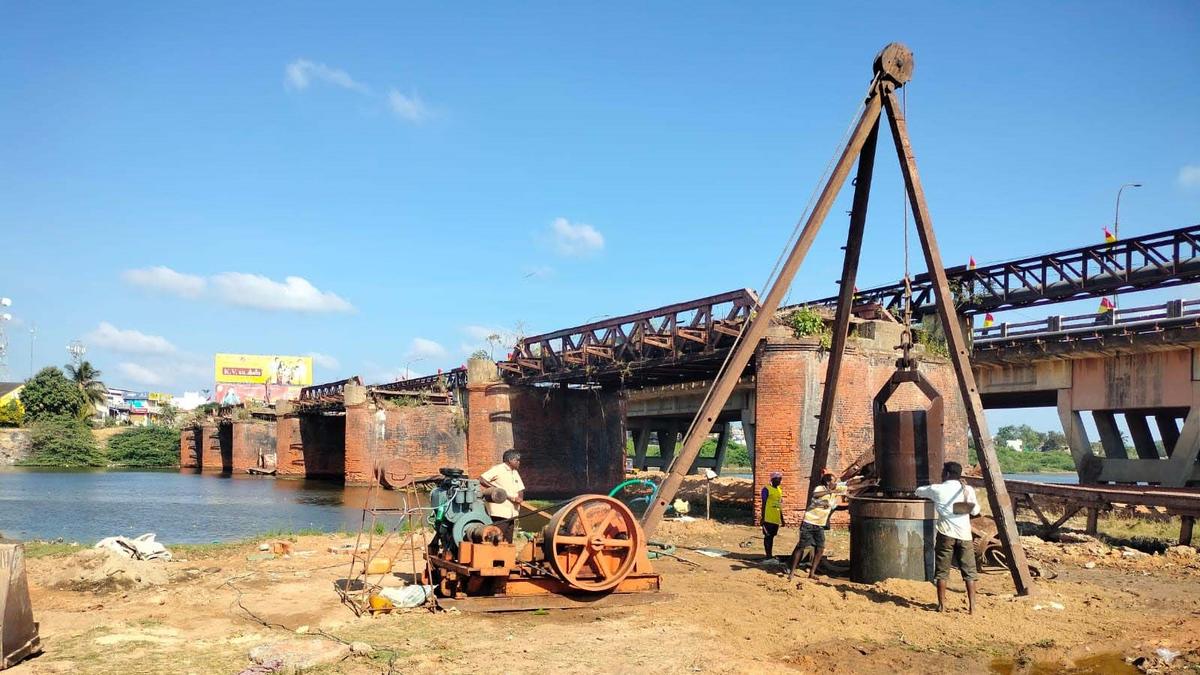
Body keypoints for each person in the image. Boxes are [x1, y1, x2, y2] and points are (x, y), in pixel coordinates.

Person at [915, 461, 981, 614]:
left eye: (943, 472)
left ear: (947, 474)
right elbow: (975, 510)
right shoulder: (967, 490)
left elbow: (918, 491)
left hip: (946, 535)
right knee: (969, 572)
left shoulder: (937, 489)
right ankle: (972, 608)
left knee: (942, 571)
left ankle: (942, 606)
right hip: (965, 535)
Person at [788, 472, 848, 581]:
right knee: (801, 547)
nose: (836, 483)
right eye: (834, 481)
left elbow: (849, 485)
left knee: (820, 548)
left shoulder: (834, 492)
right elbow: (815, 495)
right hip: (809, 522)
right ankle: (792, 572)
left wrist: (866, 484)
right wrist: (831, 490)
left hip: (819, 525)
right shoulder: (819, 488)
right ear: (827, 482)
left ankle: (812, 572)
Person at [480, 449, 526, 542]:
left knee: (508, 540)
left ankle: (505, 556)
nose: (519, 462)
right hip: (500, 512)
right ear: (510, 460)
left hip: (512, 512)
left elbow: (520, 488)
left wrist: (520, 497)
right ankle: (493, 555)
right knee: (496, 538)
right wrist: (497, 490)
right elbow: (482, 479)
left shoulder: (515, 472)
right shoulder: (499, 469)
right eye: (517, 460)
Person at [760, 471, 785, 560]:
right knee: (768, 536)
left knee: (772, 536)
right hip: (768, 517)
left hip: (775, 517)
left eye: (780, 479)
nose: (779, 481)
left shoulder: (779, 490)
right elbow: (763, 503)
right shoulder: (766, 489)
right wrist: (762, 517)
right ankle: (768, 555)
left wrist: (782, 518)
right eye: (778, 479)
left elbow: (779, 504)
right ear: (773, 479)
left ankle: (770, 554)